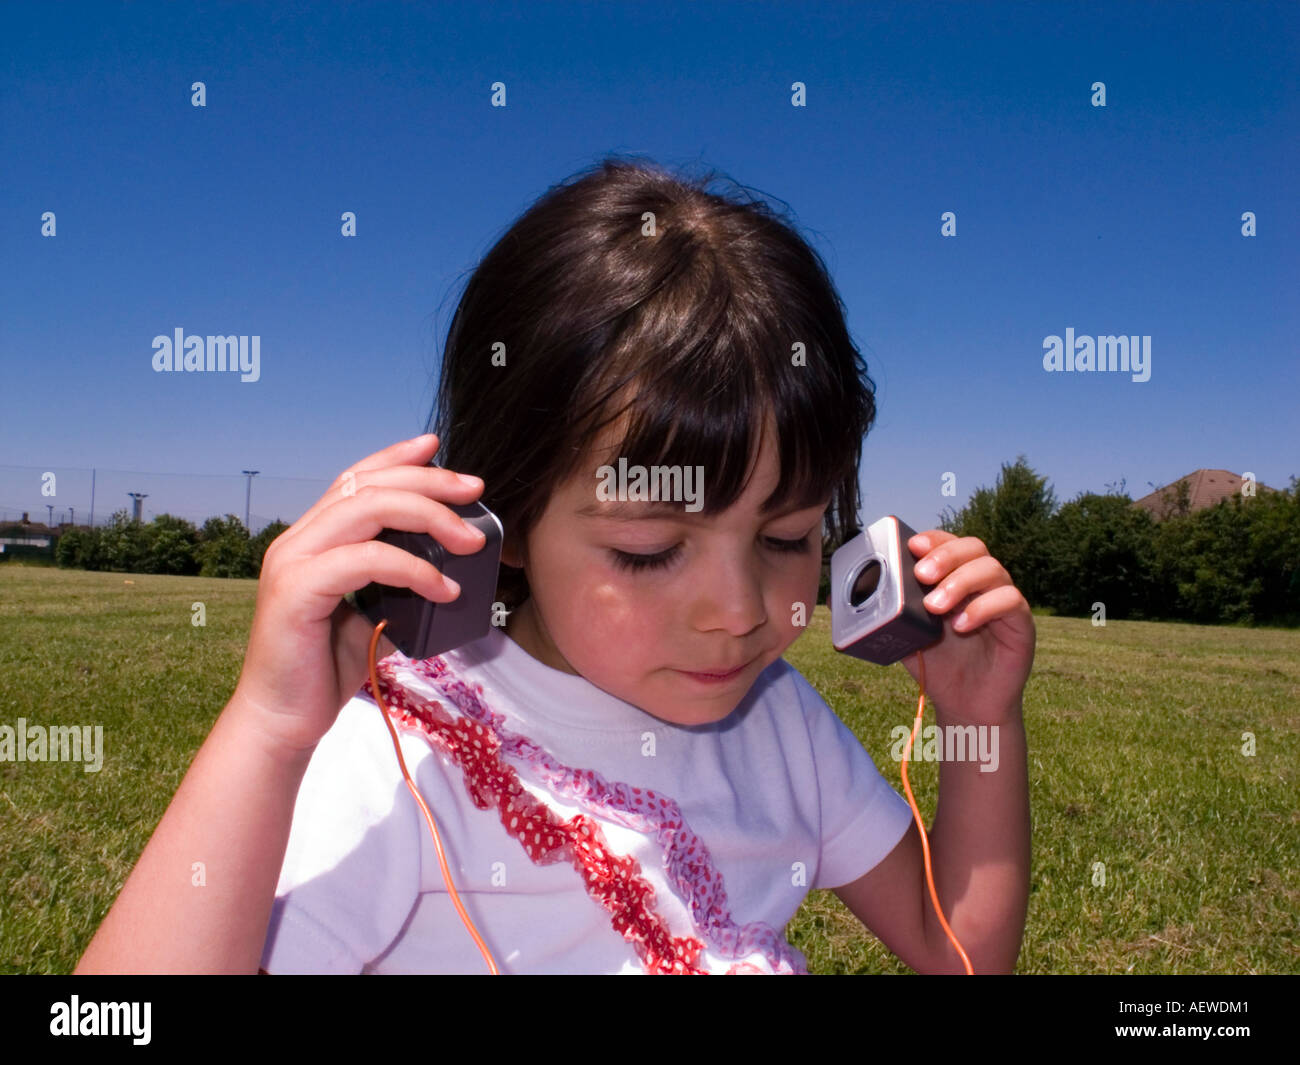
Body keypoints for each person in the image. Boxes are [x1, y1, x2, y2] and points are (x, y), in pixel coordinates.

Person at [75, 156, 1034, 975]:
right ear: (507, 518)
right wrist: (268, 730)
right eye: (649, 549)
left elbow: (958, 950)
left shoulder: (784, 724)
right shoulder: (412, 753)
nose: (741, 609)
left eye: (786, 538)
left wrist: (977, 718)